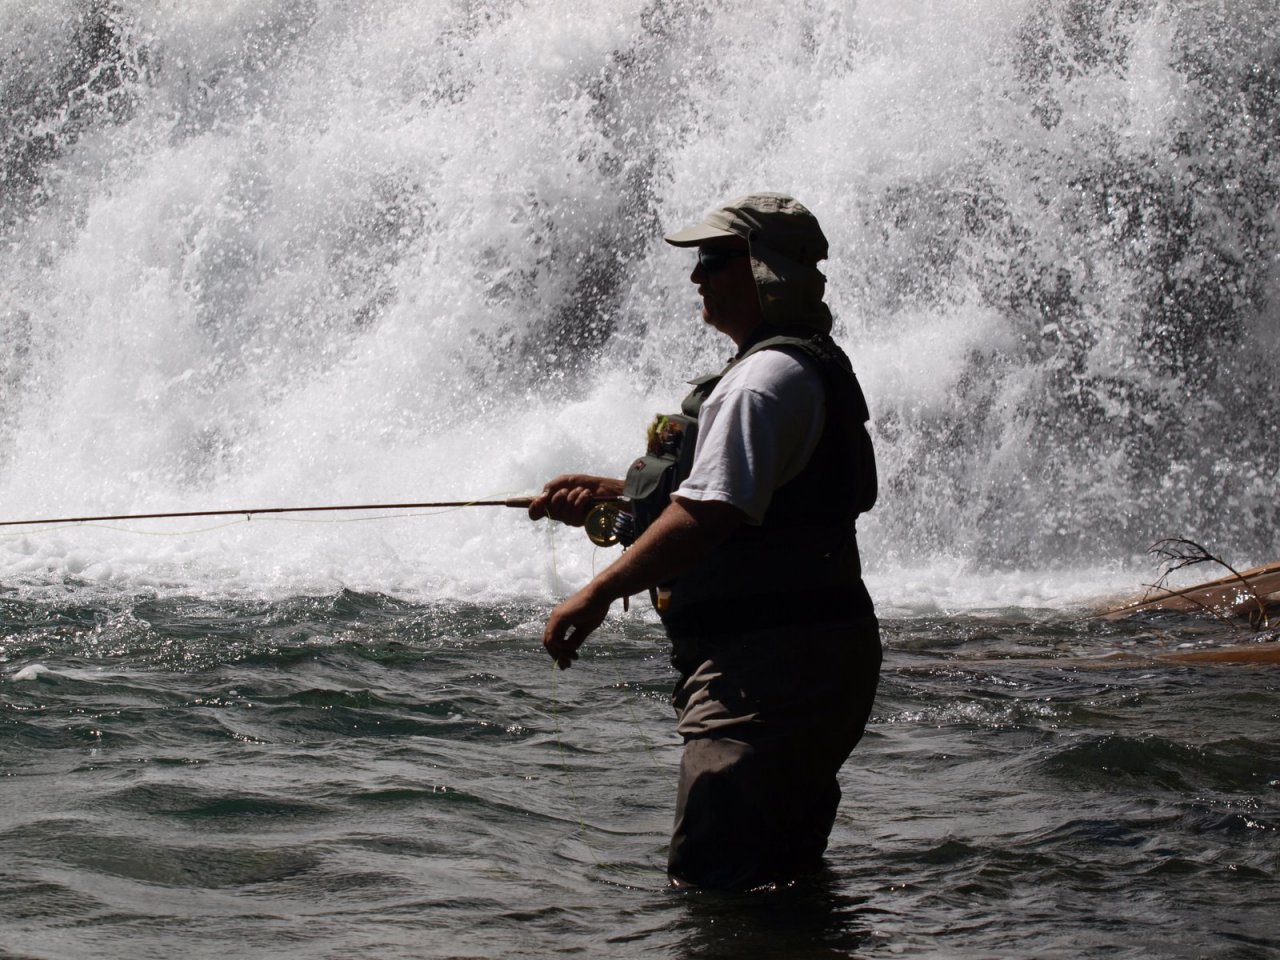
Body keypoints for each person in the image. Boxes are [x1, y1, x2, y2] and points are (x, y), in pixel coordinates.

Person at [528, 192, 881, 890]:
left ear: (764, 271)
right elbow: (724, 495)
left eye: (714, 260)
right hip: (802, 657)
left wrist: (593, 595)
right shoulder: (789, 368)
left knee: (715, 881)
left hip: (767, 671)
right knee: (780, 875)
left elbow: (707, 517)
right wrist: (613, 496)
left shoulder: (760, 383)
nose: (697, 277)